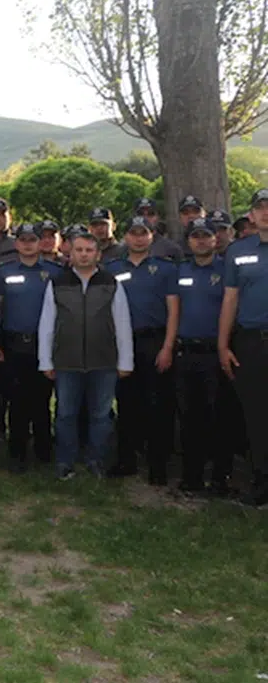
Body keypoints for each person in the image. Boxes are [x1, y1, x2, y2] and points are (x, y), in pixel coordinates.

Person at [38, 228, 134, 480]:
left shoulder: (110, 283)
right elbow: (47, 323)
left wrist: (125, 361)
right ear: (70, 252)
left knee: (101, 415)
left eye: (89, 250)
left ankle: (96, 460)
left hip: (104, 362)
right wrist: (45, 360)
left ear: (98, 254)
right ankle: (65, 462)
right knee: (65, 414)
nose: (83, 255)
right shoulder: (58, 282)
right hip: (66, 362)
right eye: (79, 250)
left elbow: (122, 324)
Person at [104, 217, 179, 485]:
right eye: (133, 233)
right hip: (123, 342)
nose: (138, 238)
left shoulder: (165, 269)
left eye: (143, 233)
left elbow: (173, 310)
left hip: (155, 342)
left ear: (151, 236)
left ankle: (157, 465)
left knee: (157, 404)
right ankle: (126, 461)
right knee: (126, 402)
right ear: (125, 236)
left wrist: (168, 346)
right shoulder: (112, 268)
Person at [173, 218, 233, 496]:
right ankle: (191, 476)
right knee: (189, 417)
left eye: (205, 236)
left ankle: (220, 477)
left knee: (219, 417)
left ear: (215, 239)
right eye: (195, 236)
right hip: (185, 353)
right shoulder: (179, 270)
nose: (200, 241)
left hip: (214, 353)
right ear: (188, 241)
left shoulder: (226, 270)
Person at [0, 223, 61, 472]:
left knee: (43, 402)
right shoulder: (4, 272)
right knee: (17, 402)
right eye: (23, 240)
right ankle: (17, 454)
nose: (28, 244)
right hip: (13, 346)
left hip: (44, 346)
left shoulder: (54, 272)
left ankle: (44, 452)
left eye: (33, 239)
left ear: (40, 242)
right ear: (16, 243)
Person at [218, 187, 268, 506]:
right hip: (251, 343)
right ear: (251, 215)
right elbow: (230, 299)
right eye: (260, 207)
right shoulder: (238, 251)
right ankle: (262, 480)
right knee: (257, 413)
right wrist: (223, 345)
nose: (266, 212)